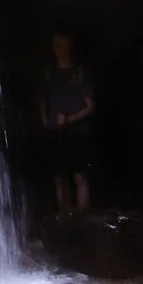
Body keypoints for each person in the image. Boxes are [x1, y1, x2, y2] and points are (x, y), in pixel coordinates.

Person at [41, 33, 96, 213]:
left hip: (78, 131)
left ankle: (82, 217)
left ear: (70, 47)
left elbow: (90, 106)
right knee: (59, 178)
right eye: (58, 46)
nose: (61, 50)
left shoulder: (79, 72)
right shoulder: (50, 73)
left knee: (79, 176)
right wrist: (45, 119)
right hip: (55, 131)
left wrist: (70, 119)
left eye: (64, 45)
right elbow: (42, 97)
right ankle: (65, 218)